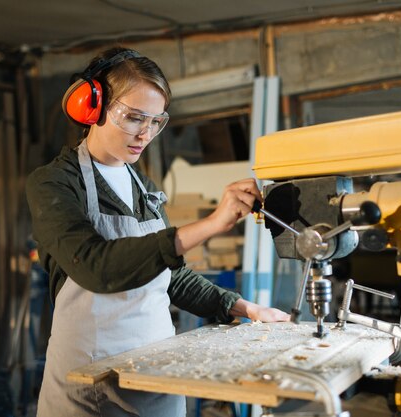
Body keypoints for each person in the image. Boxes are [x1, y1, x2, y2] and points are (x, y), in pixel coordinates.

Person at [25, 46, 290, 417]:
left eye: (155, 121)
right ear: (93, 107)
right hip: (86, 380)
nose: (145, 134)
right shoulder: (54, 183)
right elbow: (96, 267)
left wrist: (244, 307)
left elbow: (171, 276)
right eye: (134, 118)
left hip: (154, 370)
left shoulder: (144, 187)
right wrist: (212, 224)